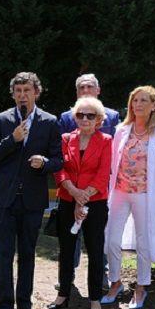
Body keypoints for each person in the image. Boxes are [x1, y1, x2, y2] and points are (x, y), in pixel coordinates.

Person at [0, 72, 63, 309]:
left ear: (36, 93)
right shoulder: (2, 119)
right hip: (4, 200)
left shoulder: (49, 122)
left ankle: (25, 307)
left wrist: (45, 163)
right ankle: (4, 307)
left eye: (27, 91)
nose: (22, 95)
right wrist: (13, 139)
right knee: (3, 255)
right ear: (13, 95)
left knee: (28, 255)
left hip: (32, 201)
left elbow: (59, 160)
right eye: (18, 91)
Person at [102, 86, 155, 309]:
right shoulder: (121, 130)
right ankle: (115, 283)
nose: (138, 104)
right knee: (111, 239)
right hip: (120, 192)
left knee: (144, 242)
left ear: (154, 105)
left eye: (144, 100)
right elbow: (112, 162)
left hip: (146, 195)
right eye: (135, 100)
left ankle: (141, 287)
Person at [49, 97, 112, 309]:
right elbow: (60, 169)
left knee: (95, 249)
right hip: (68, 200)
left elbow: (103, 174)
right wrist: (75, 193)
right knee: (66, 249)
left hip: (95, 202)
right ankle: (63, 294)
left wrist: (83, 197)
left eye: (90, 115)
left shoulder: (106, 140)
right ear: (75, 117)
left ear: (99, 119)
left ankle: (94, 298)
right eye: (80, 115)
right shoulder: (66, 139)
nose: (85, 119)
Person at [57, 74, 120, 290]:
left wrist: (85, 195)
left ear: (98, 90)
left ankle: (99, 278)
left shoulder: (112, 117)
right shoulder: (66, 119)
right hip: (70, 191)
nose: (85, 90)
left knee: (96, 239)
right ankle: (67, 277)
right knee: (69, 238)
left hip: (96, 193)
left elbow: (107, 163)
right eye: (81, 87)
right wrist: (74, 192)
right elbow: (60, 159)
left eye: (90, 87)